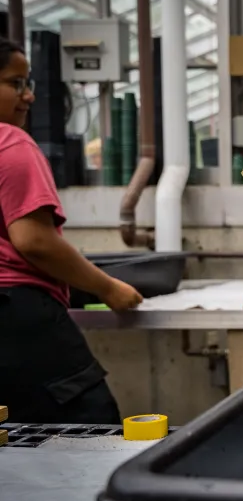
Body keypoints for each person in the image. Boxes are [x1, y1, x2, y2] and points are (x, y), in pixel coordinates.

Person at [0, 37, 143, 424]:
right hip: (18, 317)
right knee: (90, 426)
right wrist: (108, 288)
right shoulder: (11, 143)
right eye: (15, 83)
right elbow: (34, 241)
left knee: (15, 442)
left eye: (28, 83)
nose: (27, 96)